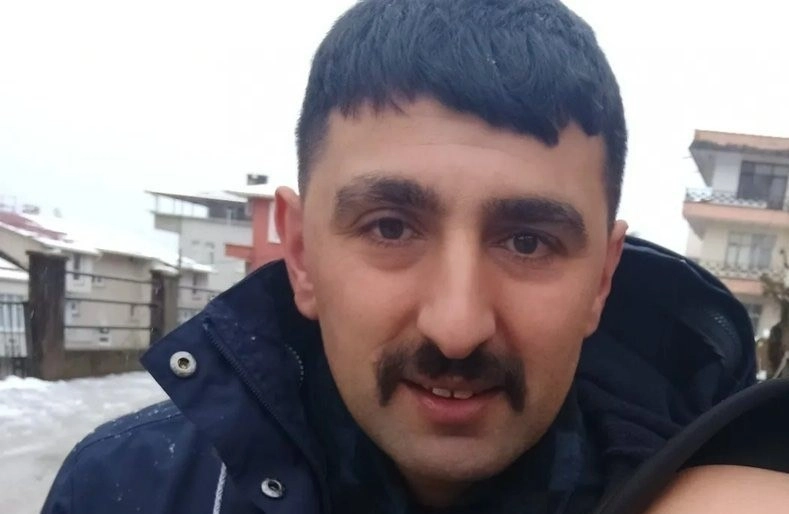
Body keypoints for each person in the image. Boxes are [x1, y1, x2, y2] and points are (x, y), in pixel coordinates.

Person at [42, 1, 763, 513]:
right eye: (390, 228)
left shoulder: (723, 496)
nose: (457, 327)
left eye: (527, 241)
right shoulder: (124, 493)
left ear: (601, 278)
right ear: (301, 253)